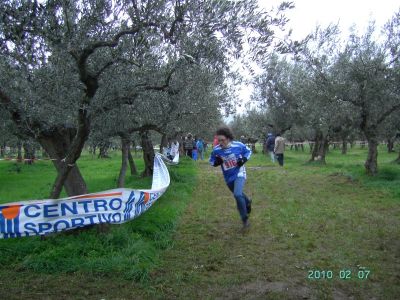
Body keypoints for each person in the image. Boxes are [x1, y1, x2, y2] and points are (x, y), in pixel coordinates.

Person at [209, 126, 252, 230]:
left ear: (228, 138)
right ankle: (247, 201)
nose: (220, 142)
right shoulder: (216, 150)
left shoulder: (238, 145)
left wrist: (244, 160)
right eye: (218, 140)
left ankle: (245, 219)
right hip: (228, 177)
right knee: (239, 194)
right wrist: (216, 163)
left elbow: (248, 151)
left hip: (239, 173)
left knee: (237, 194)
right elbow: (211, 161)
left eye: (222, 140)